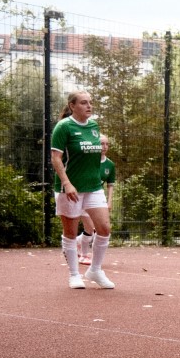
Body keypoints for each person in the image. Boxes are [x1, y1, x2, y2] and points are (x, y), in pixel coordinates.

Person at [51, 91, 115, 289]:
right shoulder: (63, 127)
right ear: (72, 105)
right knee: (70, 232)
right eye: (84, 103)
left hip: (94, 186)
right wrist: (67, 183)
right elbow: (56, 158)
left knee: (104, 228)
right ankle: (73, 274)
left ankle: (95, 270)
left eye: (91, 102)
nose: (89, 106)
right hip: (70, 188)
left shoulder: (94, 127)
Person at [77, 134, 116, 265]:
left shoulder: (110, 165)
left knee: (99, 228)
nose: (104, 147)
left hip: (97, 198)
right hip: (82, 195)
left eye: (107, 144)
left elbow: (110, 185)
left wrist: (109, 201)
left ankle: (78, 242)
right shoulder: (87, 161)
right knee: (90, 228)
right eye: (101, 143)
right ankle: (83, 254)